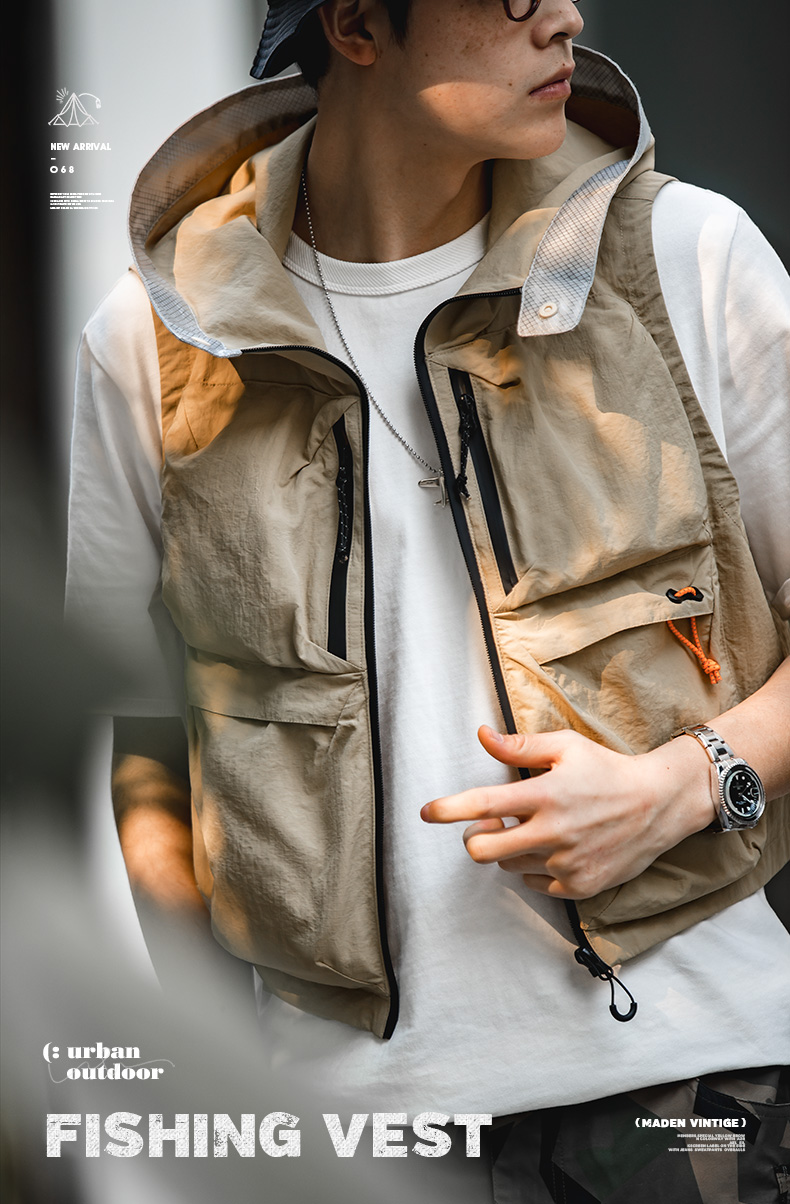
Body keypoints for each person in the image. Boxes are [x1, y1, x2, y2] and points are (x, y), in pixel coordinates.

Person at [66, 0, 790, 1197]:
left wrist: (683, 783)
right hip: (353, 1136)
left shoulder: (683, 258)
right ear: (357, 23)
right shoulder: (159, 341)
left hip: (691, 1085)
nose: (562, 17)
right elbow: (149, 744)